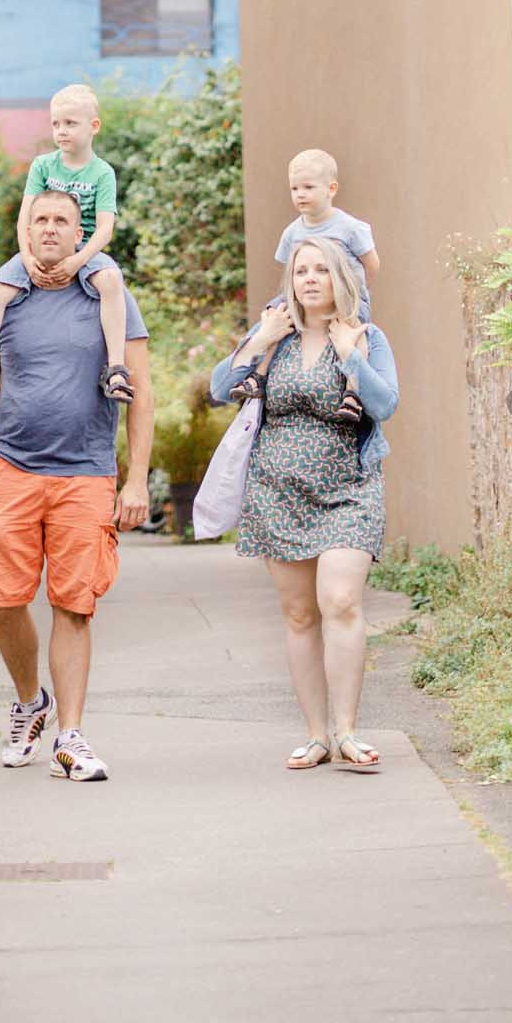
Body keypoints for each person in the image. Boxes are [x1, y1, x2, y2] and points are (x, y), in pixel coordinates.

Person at [0, 187, 154, 784]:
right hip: (14, 467)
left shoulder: (108, 296)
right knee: (6, 597)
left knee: (75, 603)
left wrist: (137, 479)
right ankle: (28, 701)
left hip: (86, 471)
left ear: (78, 232)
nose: (48, 228)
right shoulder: (8, 293)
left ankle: (71, 734)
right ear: (27, 228)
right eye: (39, 219)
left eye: (61, 220)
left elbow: (141, 394)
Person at [211, 236, 397, 774]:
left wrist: (349, 356)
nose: (309, 279)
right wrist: (257, 340)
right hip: (278, 491)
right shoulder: (276, 335)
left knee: (340, 601)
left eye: (320, 270)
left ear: (340, 278)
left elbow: (385, 404)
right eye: (300, 271)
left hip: (348, 490)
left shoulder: (366, 335)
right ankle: (316, 735)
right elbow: (223, 389)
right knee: (298, 614)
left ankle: (348, 731)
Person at [0, 82, 132, 404]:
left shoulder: (102, 173)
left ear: (93, 126)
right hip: (36, 249)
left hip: (84, 251)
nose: (61, 131)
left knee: (112, 280)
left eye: (70, 123)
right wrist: (27, 258)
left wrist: (77, 261)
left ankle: (115, 369)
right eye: (56, 123)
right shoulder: (43, 165)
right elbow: (25, 217)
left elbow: (105, 230)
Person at [276, 148, 379, 321]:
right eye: (294, 188)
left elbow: (372, 264)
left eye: (308, 187)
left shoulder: (350, 228)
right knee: (274, 308)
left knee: (349, 330)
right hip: (307, 304)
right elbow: (288, 272)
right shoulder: (291, 233)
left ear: (331, 189)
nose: (300, 194)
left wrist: (355, 288)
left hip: (347, 302)